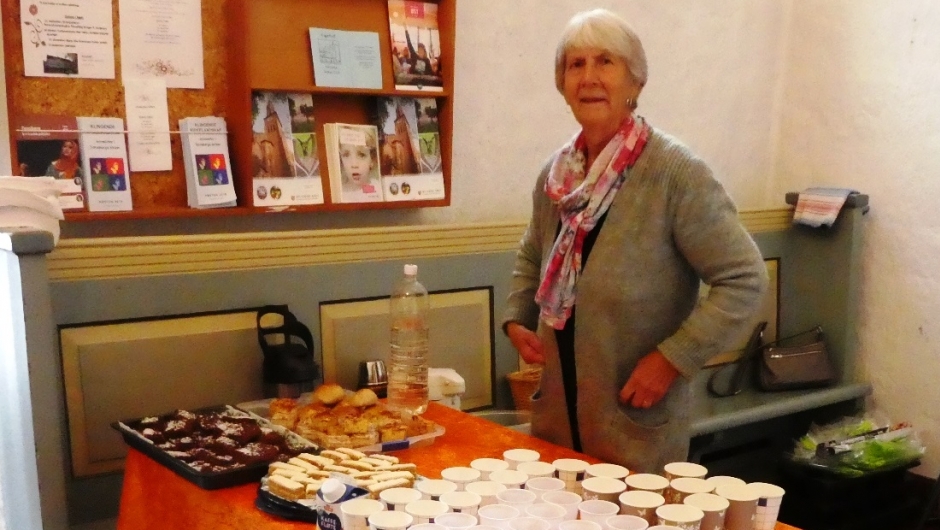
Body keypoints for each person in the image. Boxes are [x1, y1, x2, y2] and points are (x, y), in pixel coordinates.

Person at [501, 9, 768, 474]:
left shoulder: (676, 174)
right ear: (562, 84)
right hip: (557, 422)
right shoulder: (557, 174)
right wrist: (516, 318)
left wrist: (672, 359)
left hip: (636, 427)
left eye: (606, 62)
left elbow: (744, 279)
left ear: (635, 82)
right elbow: (533, 251)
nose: (589, 77)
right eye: (575, 64)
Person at [339, 126, 380, 195]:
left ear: (372, 159)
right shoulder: (339, 192)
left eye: (362, 155)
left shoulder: (377, 188)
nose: (354, 164)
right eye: (346, 155)